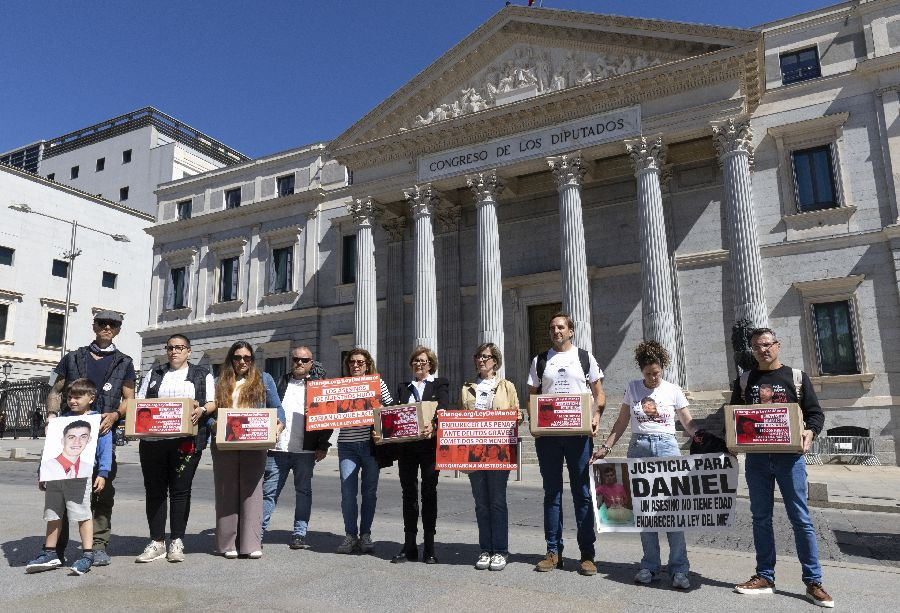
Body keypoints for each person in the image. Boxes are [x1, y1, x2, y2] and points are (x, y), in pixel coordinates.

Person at [730, 328, 833, 608]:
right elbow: (734, 415)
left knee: (801, 518)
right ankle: (765, 576)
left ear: (778, 345)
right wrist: (732, 440)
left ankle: (813, 581)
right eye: (756, 346)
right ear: (752, 351)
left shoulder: (796, 377)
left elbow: (815, 414)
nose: (762, 350)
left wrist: (811, 432)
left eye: (767, 344)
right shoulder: (745, 380)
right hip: (757, 459)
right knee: (760, 518)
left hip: (790, 458)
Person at [593, 340, 698, 589]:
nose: (653, 378)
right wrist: (606, 447)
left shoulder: (673, 390)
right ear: (641, 370)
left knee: (673, 511)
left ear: (662, 368)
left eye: (656, 373)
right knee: (644, 510)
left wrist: (706, 440)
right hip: (639, 447)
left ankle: (679, 568)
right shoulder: (632, 388)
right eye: (648, 373)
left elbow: (688, 422)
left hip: (667, 447)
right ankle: (650, 565)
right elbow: (621, 422)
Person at [45, 310, 135, 567]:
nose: (107, 327)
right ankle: (55, 549)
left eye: (112, 324)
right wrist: (51, 415)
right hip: (69, 434)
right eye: (102, 323)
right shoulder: (72, 357)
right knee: (62, 491)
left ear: (118, 329)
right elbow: (55, 389)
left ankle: (97, 545)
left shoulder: (124, 361)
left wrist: (116, 415)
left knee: (101, 492)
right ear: (94, 326)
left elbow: (129, 398)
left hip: (103, 434)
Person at [526, 312, 605, 576]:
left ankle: (587, 555)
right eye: (552, 328)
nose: (556, 331)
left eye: (561, 327)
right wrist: (533, 423)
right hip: (548, 437)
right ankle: (553, 552)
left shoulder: (584, 357)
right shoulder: (540, 360)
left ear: (571, 331)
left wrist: (596, 416)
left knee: (582, 493)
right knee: (552, 493)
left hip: (578, 436)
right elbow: (531, 395)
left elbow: (599, 394)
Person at [133, 334, 215, 563]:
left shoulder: (202, 374)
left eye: (179, 348)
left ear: (189, 351)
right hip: (153, 442)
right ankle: (157, 541)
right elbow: (140, 402)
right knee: (155, 491)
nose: (174, 351)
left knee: (180, 491)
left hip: (186, 442)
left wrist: (202, 410)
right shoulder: (155, 373)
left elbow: (212, 402)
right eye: (170, 348)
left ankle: (177, 540)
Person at [27, 379, 112, 576]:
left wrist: (103, 473)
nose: (72, 401)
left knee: (83, 515)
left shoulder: (98, 420)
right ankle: (50, 553)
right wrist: (42, 471)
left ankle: (88, 554)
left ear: (91, 398)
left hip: (81, 476)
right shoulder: (61, 420)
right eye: (70, 397)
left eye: (78, 397)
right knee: (53, 514)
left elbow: (105, 449)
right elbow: (51, 448)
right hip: (56, 476)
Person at [211, 341, 284, 559]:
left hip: (254, 442)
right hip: (225, 442)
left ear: (252, 359)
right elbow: (209, 413)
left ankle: (251, 543)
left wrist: (279, 425)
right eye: (237, 357)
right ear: (230, 359)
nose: (242, 361)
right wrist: (214, 425)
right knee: (227, 491)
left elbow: (276, 407)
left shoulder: (264, 379)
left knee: (253, 492)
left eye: (247, 357)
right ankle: (228, 544)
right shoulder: (218, 381)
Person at [262, 346, 332, 551]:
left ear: (311, 362)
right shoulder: (278, 383)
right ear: (290, 360)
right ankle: (258, 532)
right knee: (268, 492)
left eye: (304, 360)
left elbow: (328, 418)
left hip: (306, 450)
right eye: (296, 359)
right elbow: (265, 409)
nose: (299, 363)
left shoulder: (319, 386)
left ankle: (299, 533)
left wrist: (322, 444)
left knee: (303, 492)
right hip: (277, 449)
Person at [460, 342, 522, 571]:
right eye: (478, 356)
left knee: (497, 502)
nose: (481, 360)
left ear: (495, 361)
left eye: (485, 357)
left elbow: (518, 414)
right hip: (474, 452)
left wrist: (514, 417)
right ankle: (485, 549)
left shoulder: (507, 386)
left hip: (498, 452)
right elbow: (461, 417)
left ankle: (501, 550)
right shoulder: (467, 388)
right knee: (481, 503)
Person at [391, 346, 449, 564]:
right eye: (415, 361)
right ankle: (409, 546)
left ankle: (429, 547)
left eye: (423, 361)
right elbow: (394, 413)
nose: (419, 364)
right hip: (406, 448)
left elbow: (443, 408)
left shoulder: (439, 384)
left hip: (429, 447)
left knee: (429, 493)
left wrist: (434, 424)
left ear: (430, 364)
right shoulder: (403, 387)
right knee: (408, 494)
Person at [336, 348, 393, 555]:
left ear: (367, 364)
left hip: (370, 446)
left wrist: (379, 412)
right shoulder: (339, 386)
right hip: (347, 445)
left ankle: (366, 534)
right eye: (352, 362)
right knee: (347, 492)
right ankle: (350, 535)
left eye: (360, 362)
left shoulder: (378, 384)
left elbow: (390, 409)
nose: (355, 365)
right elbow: (326, 411)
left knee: (369, 492)